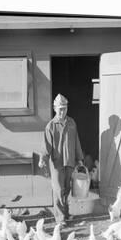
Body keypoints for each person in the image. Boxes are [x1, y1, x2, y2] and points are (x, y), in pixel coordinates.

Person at [39, 94, 84, 224]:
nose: (62, 111)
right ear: (54, 108)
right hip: (57, 162)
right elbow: (46, 145)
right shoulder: (51, 126)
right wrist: (43, 158)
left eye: (64, 108)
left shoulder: (71, 123)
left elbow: (76, 141)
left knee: (67, 188)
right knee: (58, 189)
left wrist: (79, 158)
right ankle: (59, 218)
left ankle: (66, 213)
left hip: (69, 160)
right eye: (60, 108)